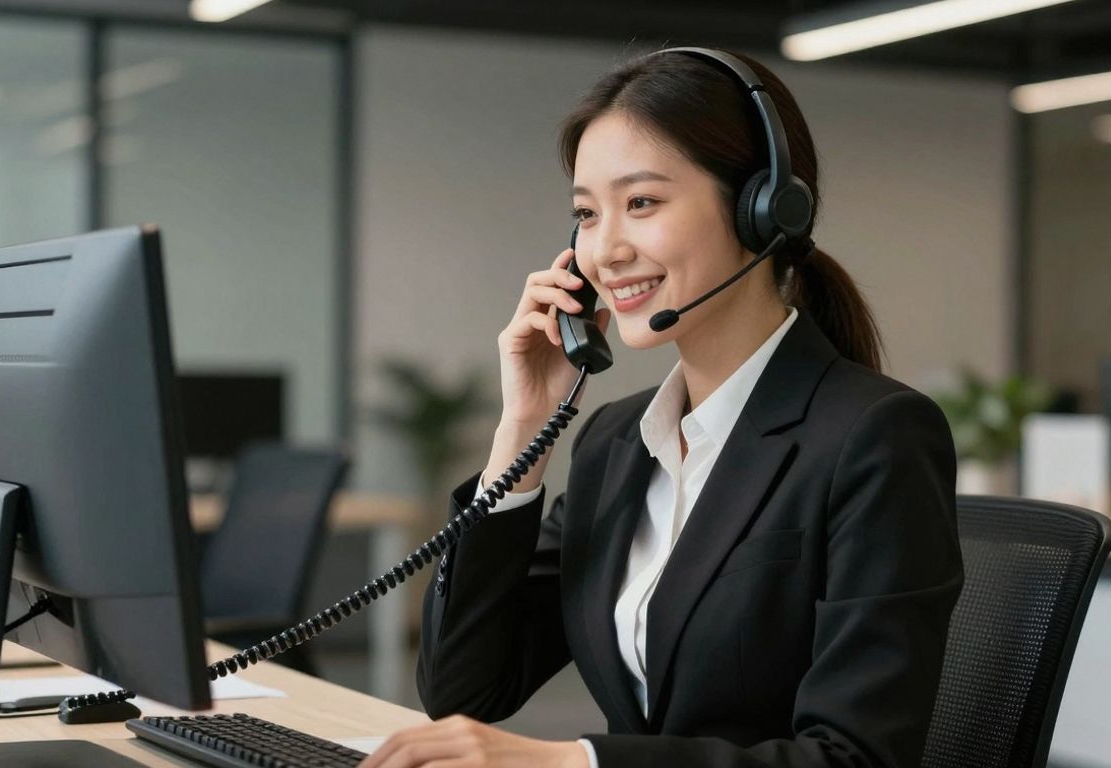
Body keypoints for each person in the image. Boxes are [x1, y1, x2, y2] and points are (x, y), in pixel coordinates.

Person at [359, 47, 963, 768]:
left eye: (641, 202)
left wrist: (572, 763)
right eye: (586, 214)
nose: (604, 251)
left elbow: (855, 759)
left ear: (763, 207)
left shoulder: (875, 436)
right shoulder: (616, 444)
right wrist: (522, 430)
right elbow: (465, 689)